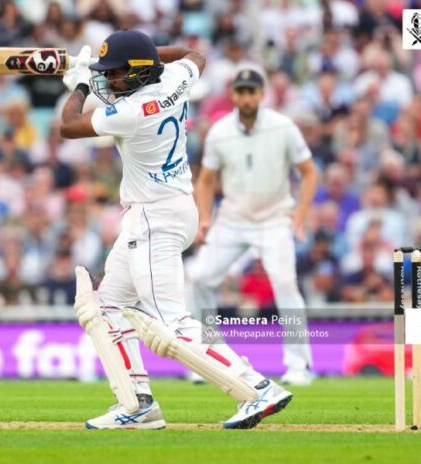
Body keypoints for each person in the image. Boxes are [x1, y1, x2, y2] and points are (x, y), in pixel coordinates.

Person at [59, 30, 291, 430]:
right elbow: (193, 52)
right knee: (105, 305)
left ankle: (258, 387)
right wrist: (146, 55)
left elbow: (68, 127)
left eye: (114, 74)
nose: (109, 81)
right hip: (170, 210)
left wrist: (79, 83)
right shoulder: (176, 77)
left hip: (154, 219)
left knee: (171, 325)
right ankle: (137, 404)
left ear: (137, 73)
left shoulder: (132, 111)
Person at [191, 69, 320, 386]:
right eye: (241, 92)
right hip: (232, 219)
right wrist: (204, 218)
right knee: (198, 278)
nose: (246, 97)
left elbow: (309, 172)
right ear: (233, 95)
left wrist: (300, 214)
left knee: (286, 284)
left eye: (252, 91)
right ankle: (208, 358)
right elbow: (206, 180)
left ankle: (298, 365)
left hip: (275, 219)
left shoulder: (283, 127)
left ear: (261, 94)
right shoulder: (220, 131)